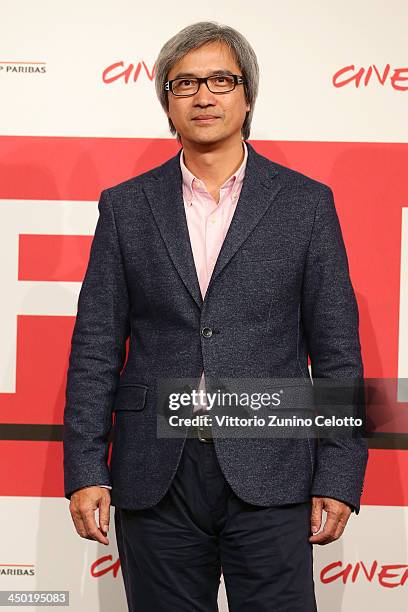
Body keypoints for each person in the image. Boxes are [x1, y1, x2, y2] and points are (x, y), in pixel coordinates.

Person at [63, 21, 368, 612]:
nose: (204, 96)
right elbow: (96, 346)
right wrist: (84, 466)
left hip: (273, 468)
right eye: (185, 84)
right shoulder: (126, 206)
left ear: (247, 95)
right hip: (156, 472)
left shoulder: (306, 205)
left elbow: (336, 350)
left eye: (221, 80)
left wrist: (338, 474)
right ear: (167, 103)